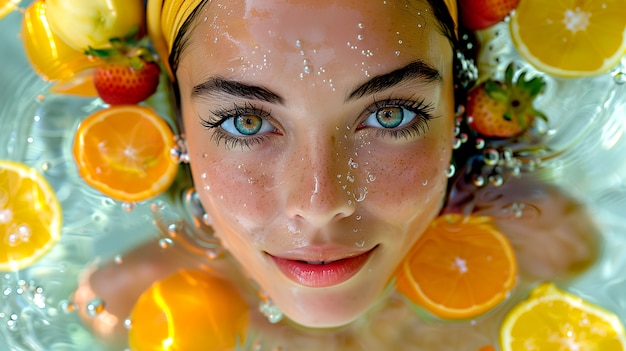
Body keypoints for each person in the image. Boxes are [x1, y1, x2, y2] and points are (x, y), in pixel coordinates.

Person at [70, 0, 601, 349]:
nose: (321, 202)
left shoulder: (547, 246)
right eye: (246, 121)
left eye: (390, 115)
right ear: (174, 118)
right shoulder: (126, 306)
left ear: (458, 105)